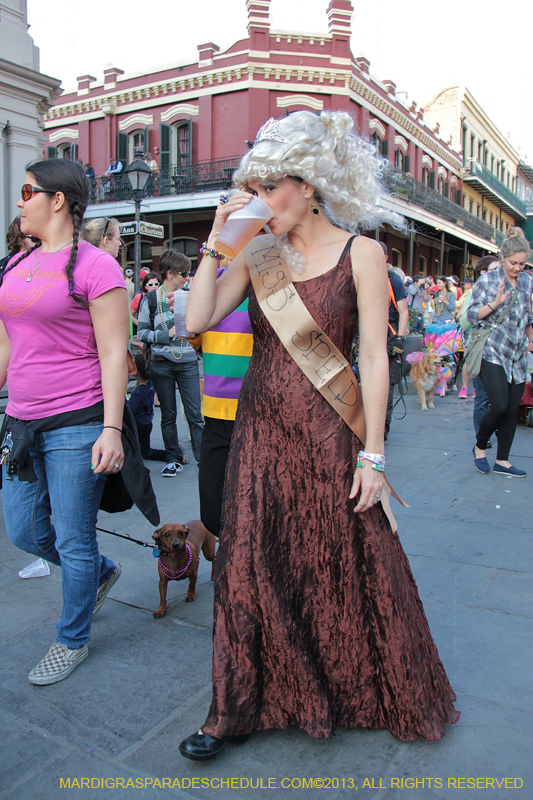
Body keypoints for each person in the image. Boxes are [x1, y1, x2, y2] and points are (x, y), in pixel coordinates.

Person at [179, 111, 459, 760]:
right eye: (252, 188)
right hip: (260, 435)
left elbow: (370, 360)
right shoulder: (258, 254)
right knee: (248, 568)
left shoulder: (364, 254)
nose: (257, 201)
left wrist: (373, 454)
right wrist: (218, 243)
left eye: (267, 187)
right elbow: (197, 317)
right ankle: (232, 709)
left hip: (332, 437)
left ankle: (346, 690)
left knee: (340, 566)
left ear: (308, 185)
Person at [0, 159, 129, 685]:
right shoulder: (14, 265)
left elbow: (115, 354)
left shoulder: (98, 267)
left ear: (57, 200)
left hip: (79, 420)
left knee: (73, 538)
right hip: (22, 421)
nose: (19, 200)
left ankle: (71, 637)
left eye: (27, 191)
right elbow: (7, 345)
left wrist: (113, 429)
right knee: (24, 530)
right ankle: (99, 574)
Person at [194, 257, 253, 538]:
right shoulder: (211, 278)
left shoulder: (272, 278)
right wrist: (183, 322)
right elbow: (194, 334)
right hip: (216, 410)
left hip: (259, 408)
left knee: (256, 501)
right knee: (212, 507)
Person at [468, 228, 532, 477]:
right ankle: (480, 446)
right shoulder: (489, 280)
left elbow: (528, 315)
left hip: (517, 353)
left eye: (522, 264)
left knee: (513, 407)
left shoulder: (527, 281)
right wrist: (494, 303)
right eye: (513, 263)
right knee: (500, 405)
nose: (517, 268)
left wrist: (530, 340)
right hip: (492, 348)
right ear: (502, 257)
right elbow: (472, 314)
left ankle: (502, 461)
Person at [137, 249, 203, 475]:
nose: (187, 277)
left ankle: (203, 459)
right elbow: (142, 334)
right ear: (170, 274)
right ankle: (173, 457)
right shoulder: (151, 299)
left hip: (187, 362)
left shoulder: (190, 296)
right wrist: (168, 334)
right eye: (184, 273)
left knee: (195, 414)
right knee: (168, 415)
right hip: (161, 363)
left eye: (188, 273)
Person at [379, 243, 408, 441]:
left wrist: (400, 338)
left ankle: (382, 429)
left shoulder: (393, 279)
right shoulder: (358, 275)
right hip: (364, 332)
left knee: (386, 385)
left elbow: (404, 311)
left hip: (388, 334)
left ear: (386, 258)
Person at [471, 256, 501, 442]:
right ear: (483, 273)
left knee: (501, 399)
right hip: (482, 347)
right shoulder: (478, 290)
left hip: (501, 349)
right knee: (482, 396)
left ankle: (496, 432)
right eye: (494, 269)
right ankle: (482, 438)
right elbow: (467, 319)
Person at [126, 352, 166, 461]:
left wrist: (124, 399)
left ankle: (170, 455)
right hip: (147, 422)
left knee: (145, 453)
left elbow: (130, 410)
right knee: (143, 447)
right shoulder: (150, 383)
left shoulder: (137, 393)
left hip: (139, 425)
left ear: (135, 372)